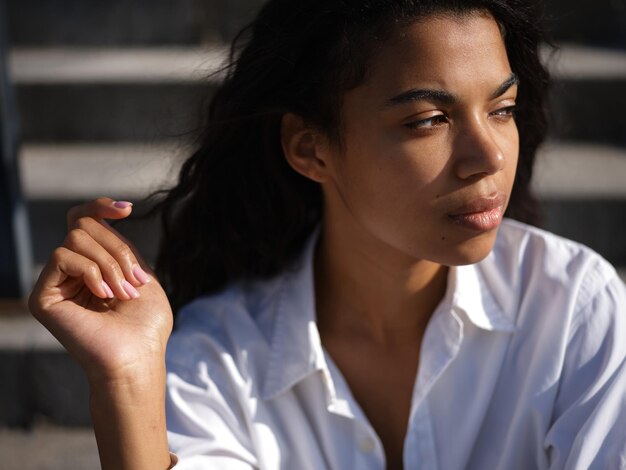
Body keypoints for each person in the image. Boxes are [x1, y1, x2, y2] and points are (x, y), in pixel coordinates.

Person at [29, 0, 626, 469]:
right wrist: (128, 377)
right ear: (310, 147)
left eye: (502, 108)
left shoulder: (574, 305)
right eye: (429, 120)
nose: (488, 155)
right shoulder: (223, 357)